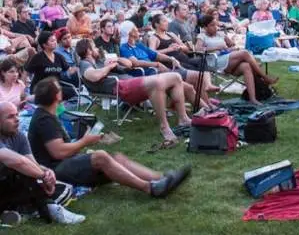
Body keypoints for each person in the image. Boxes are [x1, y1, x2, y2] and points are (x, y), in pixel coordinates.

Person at [28, 77, 191, 196]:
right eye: (58, 88)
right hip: (55, 172)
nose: (61, 90)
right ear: (56, 96)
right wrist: (84, 142)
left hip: (64, 164)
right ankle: (150, 188)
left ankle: (163, 179)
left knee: (118, 159)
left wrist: (84, 141)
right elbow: (58, 153)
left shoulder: (48, 114)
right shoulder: (44, 119)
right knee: (100, 156)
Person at [77, 38, 191, 142]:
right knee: (157, 83)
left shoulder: (101, 61)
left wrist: (115, 59)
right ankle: (164, 126)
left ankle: (183, 118)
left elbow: (129, 64)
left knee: (176, 77)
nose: (97, 49)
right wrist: (109, 67)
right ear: (88, 51)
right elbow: (94, 76)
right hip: (121, 86)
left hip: (130, 81)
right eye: (94, 47)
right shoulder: (85, 64)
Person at [0, 101, 85, 225]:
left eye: (17, 115)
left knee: (62, 187)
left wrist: (46, 172)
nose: (17, 119)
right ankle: (47, 208)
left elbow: (32, 163)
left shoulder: (18, 136)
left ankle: (21, 212)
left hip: (11, 189)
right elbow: (17, 162)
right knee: (20, 170)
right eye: (10, 117)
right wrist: (42, 176)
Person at [195, 14, 278, 106]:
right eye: (212, 25)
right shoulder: (202, 36)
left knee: (246, 66)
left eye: (216, 24)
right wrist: (217, 47)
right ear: (205, 27)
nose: (215, 27)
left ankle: (253, 99)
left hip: (228, 59)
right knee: (245, 53)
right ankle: (264, 77)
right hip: (215, 61)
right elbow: (198, 50)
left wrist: (231, 48)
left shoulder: (220, 34)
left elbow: (232, 45)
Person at [149, 14, 219, 104]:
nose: (167, 23)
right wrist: (169, 49)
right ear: (156, 24)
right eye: (164, 21)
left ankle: (206, 91)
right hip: (173, 64)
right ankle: (206, 101)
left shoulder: (171, 34)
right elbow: (151, 54)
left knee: (202, 60)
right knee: (199, 74)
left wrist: (180, 47)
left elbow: (187, 49)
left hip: (185, 59)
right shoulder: (154, 38)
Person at [26, 31, 74, 96]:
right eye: (52, 41)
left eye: (55, 40)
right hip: (41, 89)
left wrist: (76, 70)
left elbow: (68, 70)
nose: (55, 42)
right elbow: (27, 72)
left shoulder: (59, 57)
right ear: (44, 44)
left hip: (55, 87)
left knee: (72, 91)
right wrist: (23, 86)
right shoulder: (38, 57)